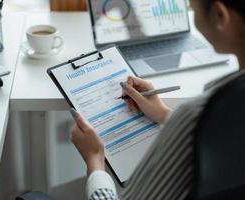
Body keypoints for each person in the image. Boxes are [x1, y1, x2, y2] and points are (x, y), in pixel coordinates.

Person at [70, 0, 245, 199]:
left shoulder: (201, 114)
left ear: (220, 15)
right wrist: (162, 113)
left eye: (193, 8)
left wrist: (95, 162)